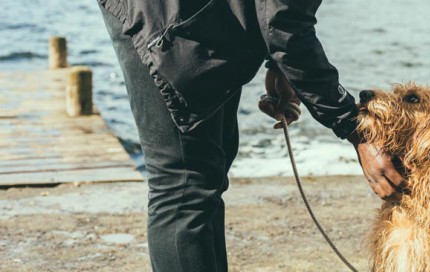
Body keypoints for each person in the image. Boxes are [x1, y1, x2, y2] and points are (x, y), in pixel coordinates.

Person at [97, 0, 407, 271]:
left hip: (207, 15)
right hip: (163, 16)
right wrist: (355, 130)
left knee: (208, 176)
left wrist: (279, 62)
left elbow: (279, 13)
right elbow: (282, 20)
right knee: (183, 186)